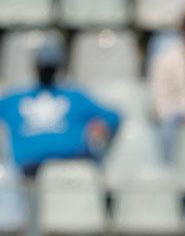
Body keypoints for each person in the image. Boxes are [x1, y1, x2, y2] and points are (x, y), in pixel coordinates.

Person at [0, 39, 120, 178]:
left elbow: (113, 117)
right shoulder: (16, 98)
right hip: (28, 172)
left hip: (71, 167)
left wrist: (100, 126)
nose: (47, 71)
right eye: (44, 67)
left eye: (50, 67)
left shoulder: (74, 96)